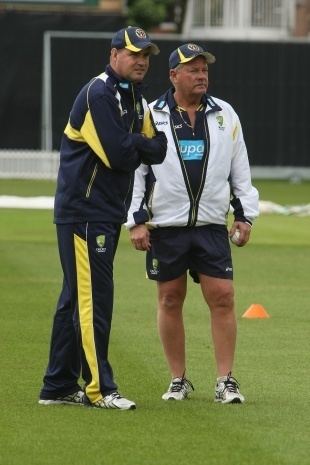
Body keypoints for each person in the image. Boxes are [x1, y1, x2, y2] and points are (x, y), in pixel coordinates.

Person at [38, 26, 167, 410]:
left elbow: (158, 149)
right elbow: (118, 155)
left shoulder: (134, 98)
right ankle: (99, 388)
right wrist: (139, 146)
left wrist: (138, 145)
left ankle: (58, 385)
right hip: (85, 212)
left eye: (145, 55)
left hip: (102, 211)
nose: (141, 61)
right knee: (94, 299)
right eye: (133, 54)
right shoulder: (100, 92)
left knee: (74, 299)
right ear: (114, 55)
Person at [126, 43, 259, 404]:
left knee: (223, 297)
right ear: (173, 75)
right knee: (170, 299)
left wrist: (245, 214)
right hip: (166, 226)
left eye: (204, 70)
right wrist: (136, 221)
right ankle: (177, 379)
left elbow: (240, 171)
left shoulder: (225, 114)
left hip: (211, 225)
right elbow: (136, 173)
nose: (202, 76)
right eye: (193, 70)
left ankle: (225, 379)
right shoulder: (151, 115)